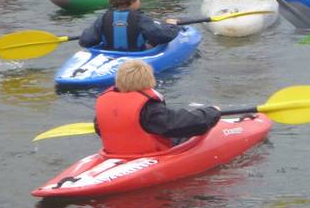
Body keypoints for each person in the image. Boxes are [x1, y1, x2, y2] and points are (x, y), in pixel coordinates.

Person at [94, 59, 222, 157]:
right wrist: (211, 112)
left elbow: (99, 129)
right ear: (149, 80)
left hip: (115, 153)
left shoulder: (106, 102)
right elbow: (175, 125)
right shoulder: (149, 108)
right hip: (149, 154)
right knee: (191, 129)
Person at [78, 0, 180, 52]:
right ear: (133, 0)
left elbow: (85, 41)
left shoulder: (103, 18)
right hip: (136, 59)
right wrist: (171, 26)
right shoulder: (141, 19)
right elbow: (163, 36)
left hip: (110, 57)